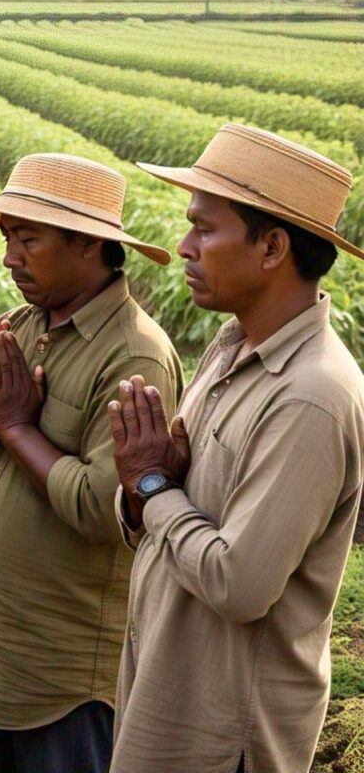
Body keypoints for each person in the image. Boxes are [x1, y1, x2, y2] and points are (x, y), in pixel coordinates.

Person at [109, 123, 364, 773]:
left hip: (223, 735)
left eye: (205, 228)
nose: (184, 247)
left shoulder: (311, 394)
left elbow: (240, 583)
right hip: (169, 688)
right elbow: (169, 505)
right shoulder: (230, 348)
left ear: (273, 246)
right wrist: (146, 493)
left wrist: (152, 489)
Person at [0, 152, 183, 773]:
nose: (10, 257)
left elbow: (106, 508)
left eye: (28, 239)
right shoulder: (16, 328)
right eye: (7, 237)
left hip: (63, 684)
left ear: (90, 244)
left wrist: (13, 428)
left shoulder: (133, 359)